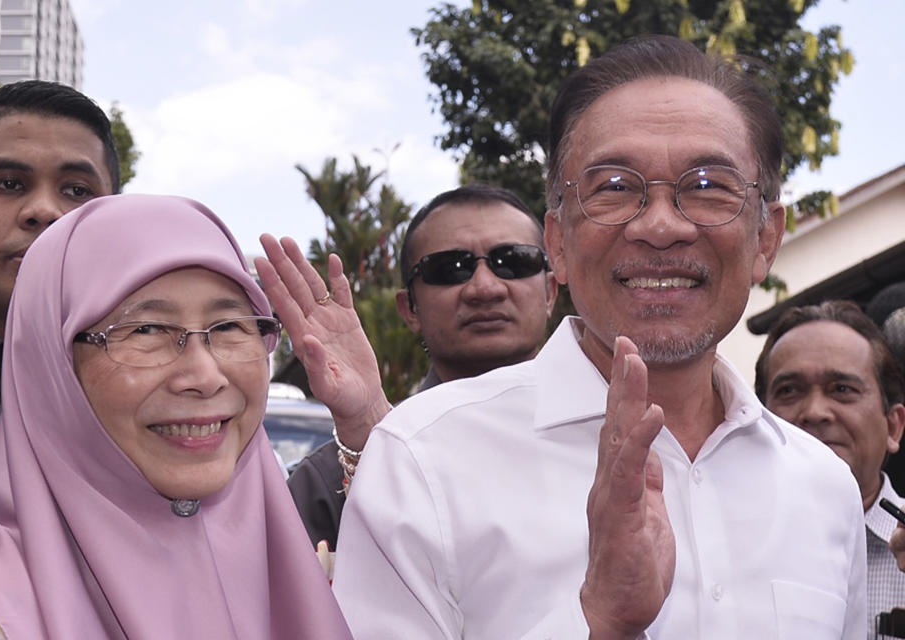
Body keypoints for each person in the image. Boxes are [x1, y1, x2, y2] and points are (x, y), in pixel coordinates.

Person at [331, 35, 866, 639]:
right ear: (557, 240)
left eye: (707, 185)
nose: (661, 226)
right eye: (614, 187)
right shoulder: (423, 461)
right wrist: (601, 623)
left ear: (766, 237)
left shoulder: (824, 487)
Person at [0, 195, 351, 638]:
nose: (204, 375)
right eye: (147, 330)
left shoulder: (291, 572)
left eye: (231, 326)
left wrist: (366, 420)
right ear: (53, 368)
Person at [269, 183, 557, 550]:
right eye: (450, 269)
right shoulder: (333, 479)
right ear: (409, 309)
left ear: (550, 292)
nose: (485, 287)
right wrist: (369, 436)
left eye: (514, 261)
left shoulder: (621, 437)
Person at [0, 80, 120, 542]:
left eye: (77, 190)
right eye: (8, 184)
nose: (45, 211)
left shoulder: (156, 392)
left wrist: (341, 417)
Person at [755, 300, 905, 639]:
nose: (816, 411)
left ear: (893, 426)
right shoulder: (721, 549)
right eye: (789, 391)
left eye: (842, 389)